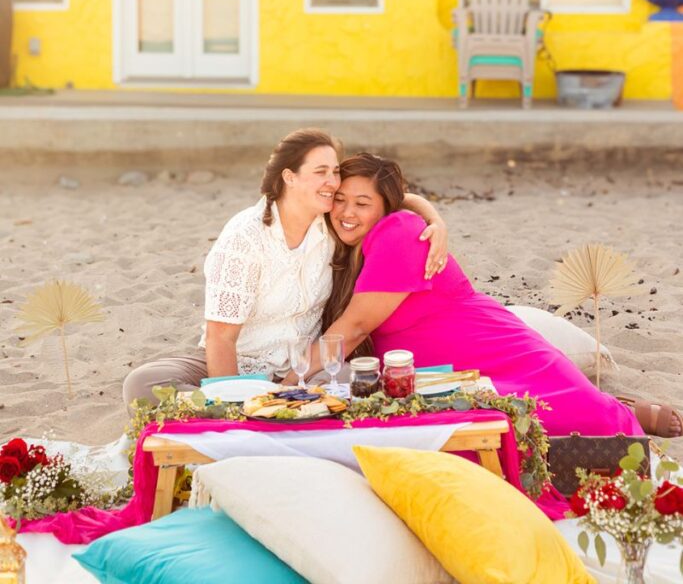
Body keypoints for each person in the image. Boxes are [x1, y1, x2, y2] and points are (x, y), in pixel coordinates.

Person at [302, 152, 682, 438]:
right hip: (441, 371)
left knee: (573, 422)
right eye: (340, 199)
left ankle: (622, 410)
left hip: (487, 349)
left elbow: (353, 328)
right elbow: (402, 197)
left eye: (362, 204)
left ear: (386, 207)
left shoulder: (398, 231)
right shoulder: (348, 241)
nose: (346, 212)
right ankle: (616, 405)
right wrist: (435, 216)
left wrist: (289, 379)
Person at [122, 129, 448, 409]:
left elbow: (389, 198)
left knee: (355, 382)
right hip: (237, 364)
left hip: (306, 369)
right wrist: (233, 401)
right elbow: (220, 336)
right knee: (143, 383)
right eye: (321, 172)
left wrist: (435, 221)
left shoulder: (331, 223)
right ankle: (254, 419)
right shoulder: (245, 236)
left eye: (335, 172)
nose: (333, 182)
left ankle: (281, 412)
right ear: (290, 177)